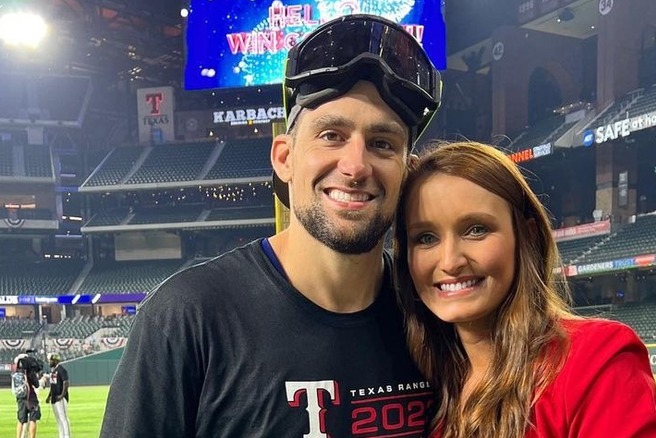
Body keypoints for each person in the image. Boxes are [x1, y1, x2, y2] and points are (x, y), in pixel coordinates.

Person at [100, 14, 442, 437]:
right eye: (331, 135)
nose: (355, 166)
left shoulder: (433, 314)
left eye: (382, 143)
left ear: (406, 171)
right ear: (284, 158)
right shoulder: (187, 318)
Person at [394, 141, 656, 437]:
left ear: (527, 237)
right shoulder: (425, 387)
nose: (450, 261)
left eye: (476, 229)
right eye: (426, 238)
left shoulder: (596, 361)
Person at [12, 353, 41, 438]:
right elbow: (37, 384)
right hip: (30, 397)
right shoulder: (29, 372)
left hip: (20, 398)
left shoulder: (16, 373)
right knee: (33, 418)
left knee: (21, 420)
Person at [46, 354, 71, 438]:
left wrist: (62, 395)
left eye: (51, 360)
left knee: (63, 418)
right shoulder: (53, 371)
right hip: (54, 398)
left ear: (55, 360)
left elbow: (66, 383)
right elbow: (53, 385)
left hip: (60, 398)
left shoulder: (61, 370)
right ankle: (61, 435)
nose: (49, 362)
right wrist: (49, 396)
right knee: (58, 419)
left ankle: (67, 436)